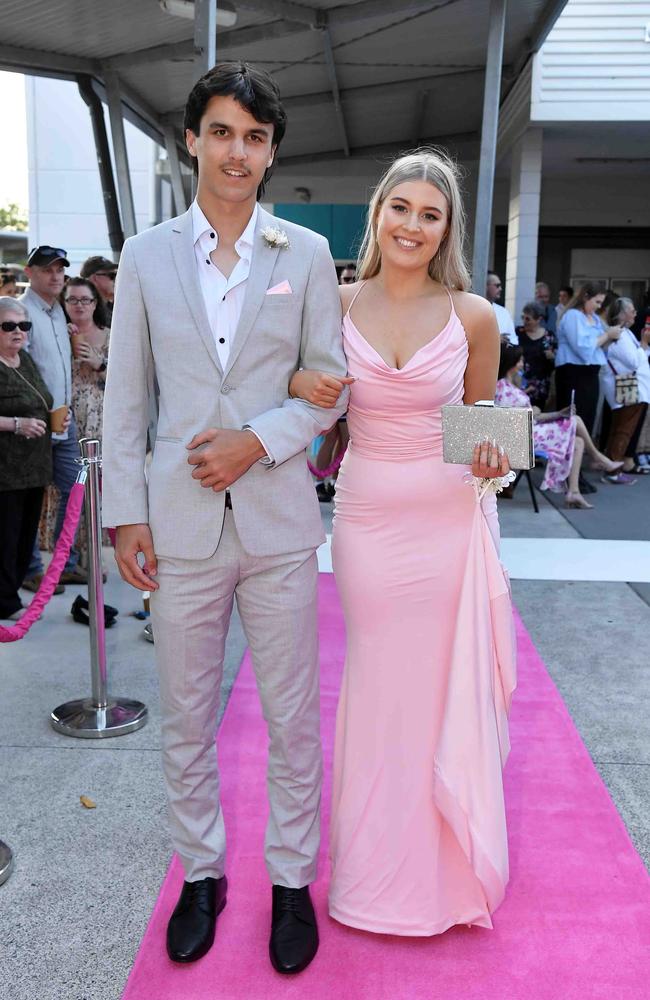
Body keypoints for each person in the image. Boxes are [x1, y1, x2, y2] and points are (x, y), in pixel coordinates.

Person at [101, 61, 350, 974]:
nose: (236, 152)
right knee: (187, 713)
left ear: (271, 150)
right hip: (180, 525)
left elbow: (327, 386)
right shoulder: (146, 254)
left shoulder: (307, 256)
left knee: (292, 717)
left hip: (280, 522)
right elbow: (127, 396)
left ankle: (292, 881)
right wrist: (126, 514)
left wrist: (256, 438)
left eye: (254, 137)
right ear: (193, 141)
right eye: (221, 133)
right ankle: (200, 873)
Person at [291, 149, 516, 935]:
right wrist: (301, 387)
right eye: (401, 208)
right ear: (378, 213)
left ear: (447, 228)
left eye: (431, 214)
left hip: (448, 520)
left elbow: (480, 431)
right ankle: (369, 876)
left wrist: (491, 460)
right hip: (366, 520)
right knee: (379, 685)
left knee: (440, 691)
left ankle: (445, 879)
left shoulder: (473, 316)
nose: (413, 225)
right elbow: (295, 381)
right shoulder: (334, 300)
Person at [18, 246, 85, 589]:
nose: (56, 276)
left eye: (60, 269)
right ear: (29, 272)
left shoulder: (57, 310)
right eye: (47, 269)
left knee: (75, 490)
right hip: (35, 421)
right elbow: (20, 369)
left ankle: (64, 564)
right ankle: (31, 570)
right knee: (31, 497)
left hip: (63, 418)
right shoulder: (19, 311)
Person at [496, 343, 622, 508]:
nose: (522, 364)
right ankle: (598, 458)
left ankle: (573, 492)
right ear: (512, 364)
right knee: (575, 420)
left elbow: (531, 417)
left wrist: (558, 414)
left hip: (529, 434)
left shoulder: (507, 387)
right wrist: (532, 410)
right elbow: (512, 420)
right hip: (521, 440)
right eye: (520, 361)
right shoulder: (501, 388)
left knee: (578, 442)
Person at [0, 297, 64, 620]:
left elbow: (40, 399)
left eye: (23, 326)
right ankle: (6, 602)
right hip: (6, 472)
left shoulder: (24, 360)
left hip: (35, 468)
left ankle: (10, 595)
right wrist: (16, 424)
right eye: (8, 326)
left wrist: (55, 419)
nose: (18, 332)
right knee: (6, 539)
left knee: (25, 539)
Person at [64, 278, 111, 566]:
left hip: (100, 417)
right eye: (73, 300)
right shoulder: (59, 333)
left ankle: (95, 557)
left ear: (95, 303)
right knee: (70, 486)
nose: (80, 305)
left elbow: (128, 382)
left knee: (96, 486)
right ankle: (71, 555)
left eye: (85, 300)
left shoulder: (109, 335)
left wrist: (100, 364)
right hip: (69, 417)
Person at [555, 281, 622, 435]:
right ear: (585, 297)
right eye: (597, 302)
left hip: (591, 373)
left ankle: (583, 453)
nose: (599, 306)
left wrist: (612, 337)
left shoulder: (595, 318)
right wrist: (607, 335)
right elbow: (582, 348)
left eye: (601, 302)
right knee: (573, 419)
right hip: (574, 373)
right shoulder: (573, 315)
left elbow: (599, 345)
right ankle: (571, 455)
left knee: (587, 418)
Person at [601, 297, 650, 483]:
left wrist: (643, 348)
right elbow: (634, 361)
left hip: (634, 390)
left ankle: (613, 466)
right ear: (622, 314)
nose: (635, 313)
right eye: (632, 310)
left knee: (621, 429)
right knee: (623, 430)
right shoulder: (620, 336)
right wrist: (644, 344)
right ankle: (613, 470)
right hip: (629, 391)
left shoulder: (625, 334)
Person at [516, 300, 557, 409]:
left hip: (541, 387)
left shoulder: (549, 336)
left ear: (539, 319)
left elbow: (554, 362)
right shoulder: (518, 333)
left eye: (528, 318)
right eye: (523, 317)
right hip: (520, 384)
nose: (524, 321)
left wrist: (552, 357)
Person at [80, 255, 117, 324]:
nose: (115, 280)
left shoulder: (114, 308)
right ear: (94, 278)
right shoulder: (84, 310)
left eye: (117, 275)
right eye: (112, 276)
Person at [486, 270, 517, 344]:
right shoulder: (472, 309)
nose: (500, 289)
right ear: (485, 285)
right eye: (497, 285)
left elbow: (513, 339)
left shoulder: (504, 312)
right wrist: (495, 339)